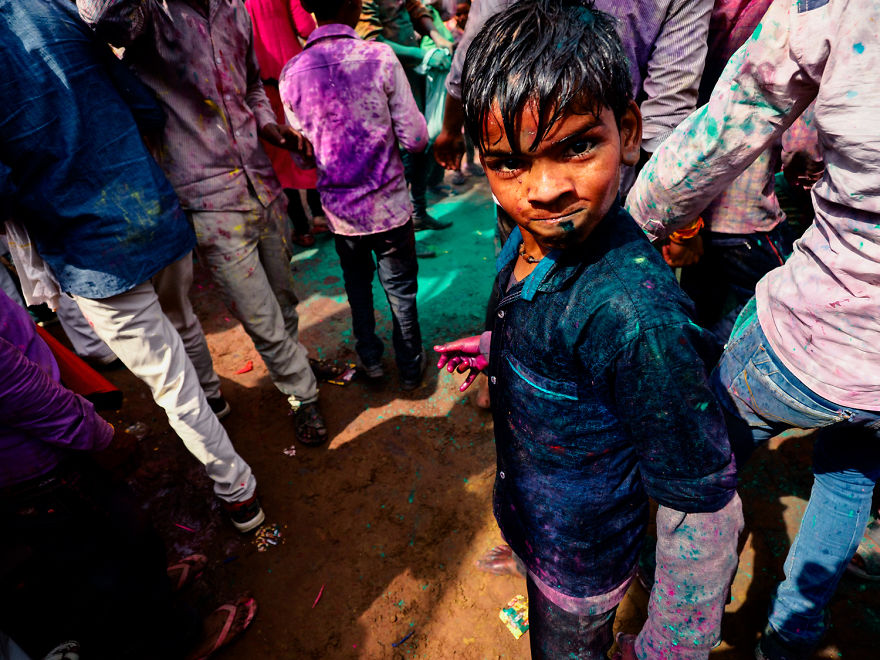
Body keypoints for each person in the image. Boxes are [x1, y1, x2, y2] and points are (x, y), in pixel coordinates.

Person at [434, 2, 743, 657]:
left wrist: (670, 644)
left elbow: (702, 502)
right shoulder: (532, 239)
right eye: (509, 163)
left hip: (582, 563)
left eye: (576, 146)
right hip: (540, 524)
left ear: (628, 131)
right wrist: (501, 349)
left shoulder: (633, 314)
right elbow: (559, 337)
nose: (545, 189)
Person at [625, 0, 880, 657]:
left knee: (696, 467)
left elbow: (732, 120)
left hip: (807, 335)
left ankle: (667, 631)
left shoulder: (838, 8)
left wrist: (626, 238)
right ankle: (792, 636)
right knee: (850, 478)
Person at [1, 0, 264, 532]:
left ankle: (239, 491)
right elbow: (144, 105)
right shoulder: (50, 8)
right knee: (184, 323)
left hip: (90, 250)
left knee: (171, 386)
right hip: (152, 210)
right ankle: (217, 402)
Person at [78, 0, 328, 445]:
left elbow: (251, 86)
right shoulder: (147, 16)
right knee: (260, 316)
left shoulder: (236, 11)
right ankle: (302, 394)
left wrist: (270, 125)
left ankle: (296, 367)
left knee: (285, 298)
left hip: (263, 185)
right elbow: (102, 19)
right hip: (208, 201)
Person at [0, 290, 256, 660]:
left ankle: (153, 590)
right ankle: (179, 638)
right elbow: (20, 392)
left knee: (121, 539)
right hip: (37, 464)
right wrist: (100, 437)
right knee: (104, 553)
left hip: (42, 452)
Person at [280, 0, 429, 390]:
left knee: (358, 291)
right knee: (401, 292)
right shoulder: (378, 57)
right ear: (354, 5)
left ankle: (372, 362)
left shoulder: (292, 72)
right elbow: (415, 139)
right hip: (390, 208)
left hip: (342, 215)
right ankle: (411, 368)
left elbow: (304, 157)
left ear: (311, 7)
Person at [357, 0, 455, 232]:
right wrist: (423, 54)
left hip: (410, 73)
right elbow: (371, 40)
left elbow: (414, 8)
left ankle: (418, 211)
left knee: (420, 142)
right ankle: (402, 223)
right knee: (400, 151)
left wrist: (434, 34)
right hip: (383, 77)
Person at [245, 0, 328, 248]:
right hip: (294, 72)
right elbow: (306, 27)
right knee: (307, 142)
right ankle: (320, 214)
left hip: (257, 81)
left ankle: (302, 229)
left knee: (279, 154)